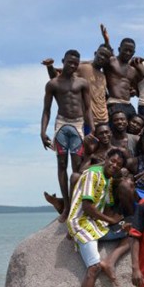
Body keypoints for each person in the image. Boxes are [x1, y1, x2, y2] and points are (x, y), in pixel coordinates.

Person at [67, 148, 127, 287]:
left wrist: (119, 222)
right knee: (93, 268)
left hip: (96, 224)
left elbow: (107, 206)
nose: (114, 165)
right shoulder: (93, 174)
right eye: (113, 161)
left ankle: (109, 261)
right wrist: (111, 221)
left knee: (133, 233)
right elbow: (87, 207)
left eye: (118, 164)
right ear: (106, 158)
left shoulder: (108, 180)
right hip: (82, 222)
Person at [40, 49, 94, 223]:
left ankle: (75, 205)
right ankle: (67, 207)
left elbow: (87, 109)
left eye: (75, 63)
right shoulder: (53, 84)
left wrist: (91, 131)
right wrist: (43, 131)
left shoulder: (82, 83)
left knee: (77, 167)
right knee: (61, 164)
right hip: (62, 124)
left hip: (78, 124)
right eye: (69, 62)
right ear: (63, 61)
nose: (72, 65)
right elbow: (46, 110)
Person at [42, 44, 112, 132]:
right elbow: (58, 78)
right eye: (101, 54)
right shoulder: (83, 68)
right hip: (88, 121)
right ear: (95, 53)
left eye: (106, 56)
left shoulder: (103, 76)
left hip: (104, 121)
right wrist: (50, 66)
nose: (102, 57)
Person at [100, 24, 138, 120]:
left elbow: (134, 89)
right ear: (119, 49)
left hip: (128, 104)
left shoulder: (133, 70)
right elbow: (97, 61)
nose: (127, 53)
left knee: (135, 130)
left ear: (133, 53)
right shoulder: (112, 61)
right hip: (114, 103)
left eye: (130, 51)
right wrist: (107, 41)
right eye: (125, 50)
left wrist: (133, 91)